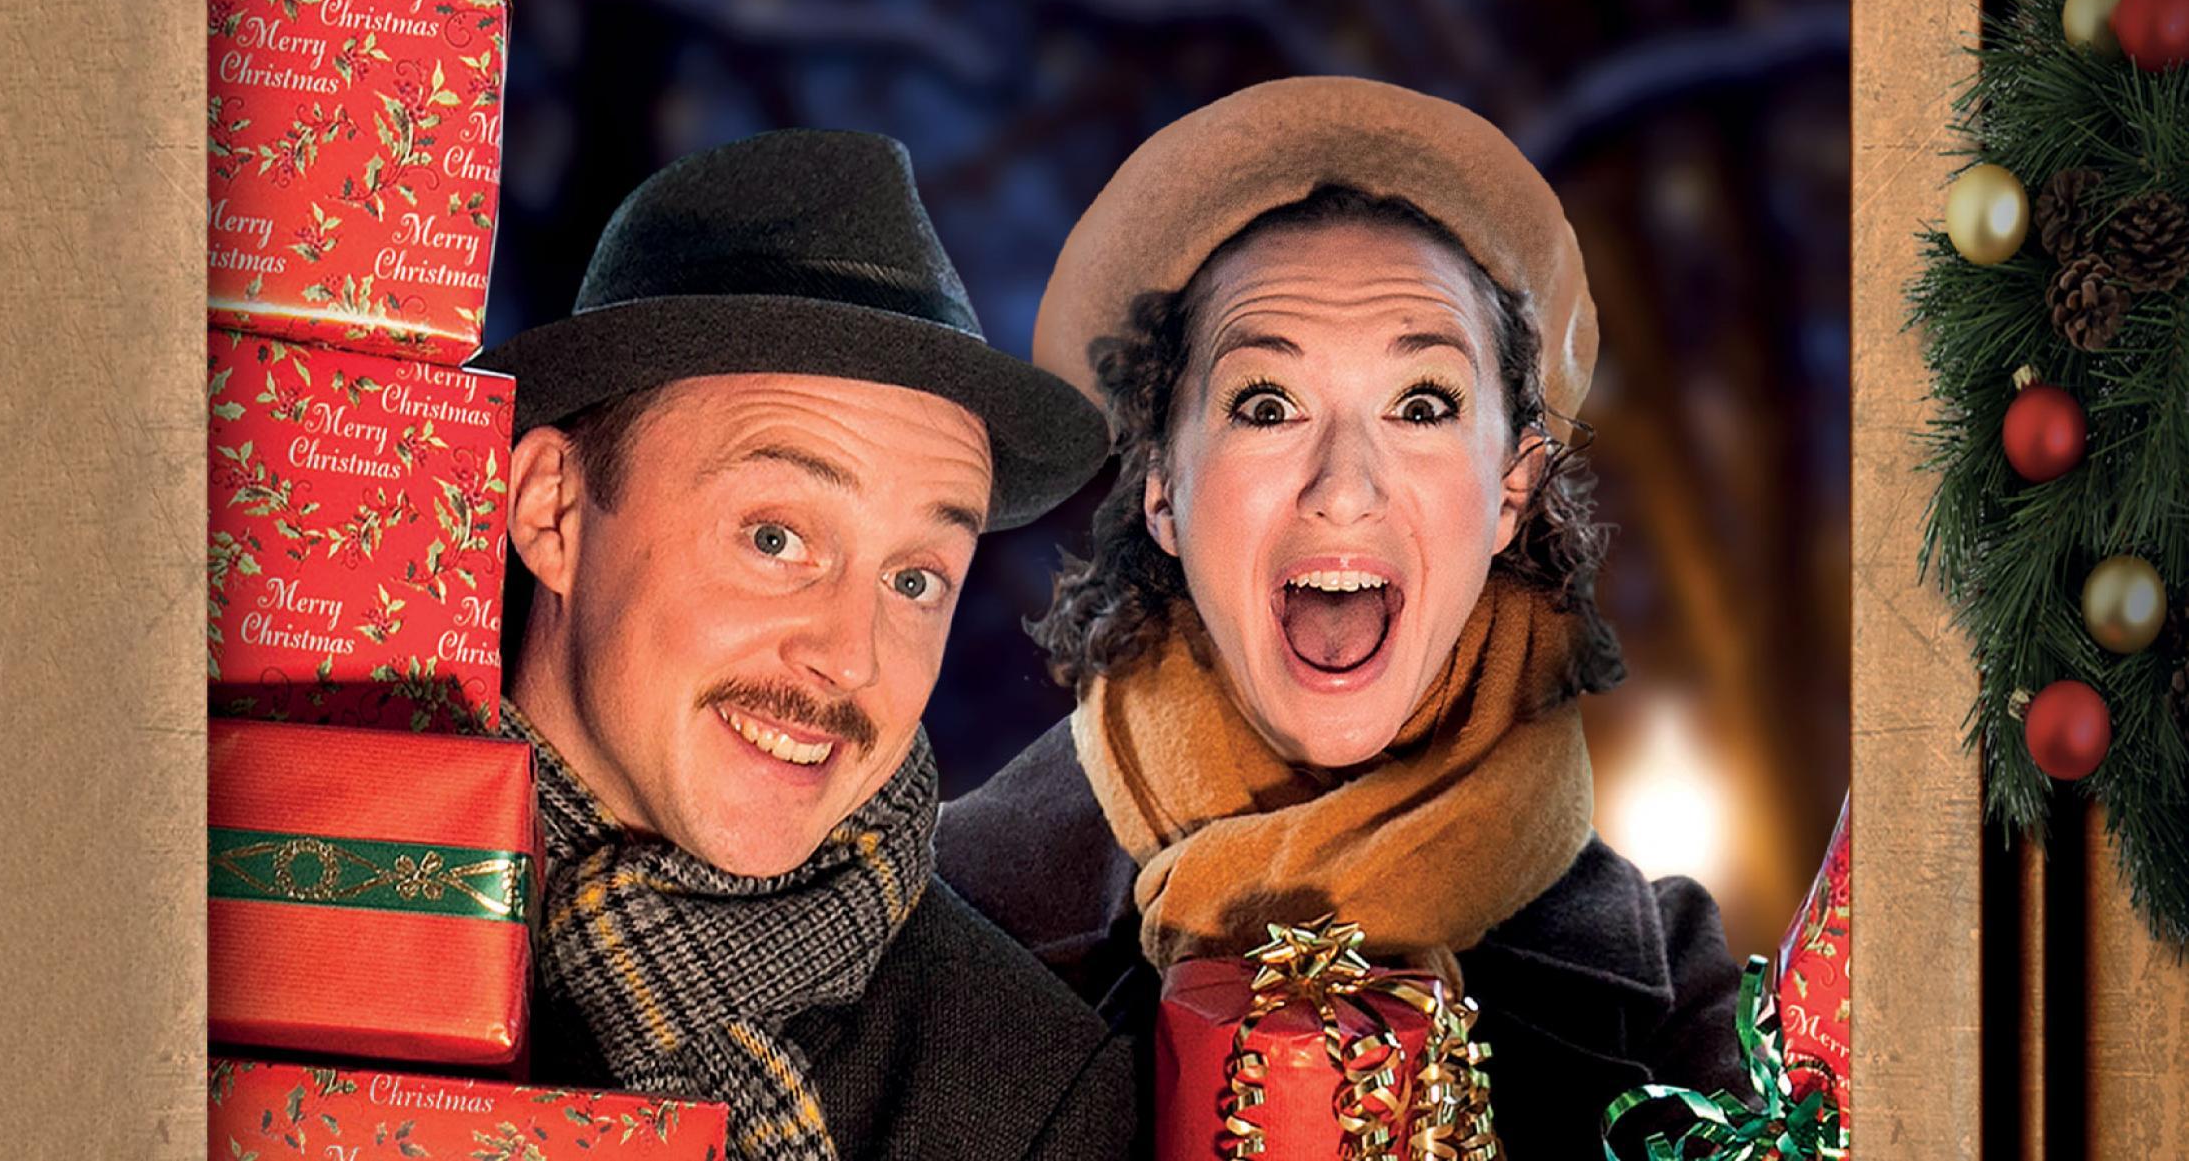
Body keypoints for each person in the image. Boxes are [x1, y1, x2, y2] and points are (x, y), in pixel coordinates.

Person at [936, 77, 1747, 1156]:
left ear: (1511, 489)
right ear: (1163, 492)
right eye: (1265, 405)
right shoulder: (948, 924)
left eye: (1422, 405)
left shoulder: (1670, 989)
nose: (1344, 486)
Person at [465, 129, 1136, 1161]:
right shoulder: (291, 889)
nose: (851, 658)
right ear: (554, 512)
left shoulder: (1021, 1097)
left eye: (914, 580)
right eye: (776, 539)